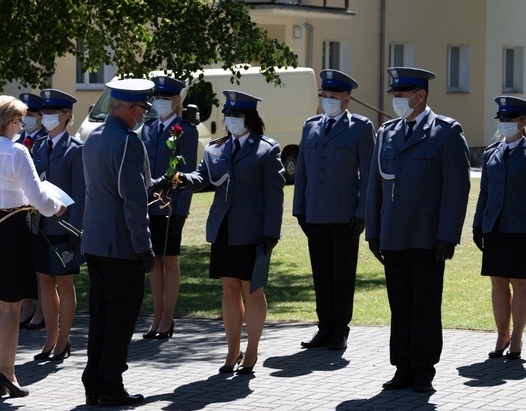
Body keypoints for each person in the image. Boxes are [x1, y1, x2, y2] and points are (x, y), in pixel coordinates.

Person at [366, 67, 471, 393]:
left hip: (427, 236)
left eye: (401, 95)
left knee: (425, 305)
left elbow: (457, 188)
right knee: (400, 305)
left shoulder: (446, 132)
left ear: (420, 96)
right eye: (395, 95)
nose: (397, 101)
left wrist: (447, 235)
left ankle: (424, 369)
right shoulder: (387, 133)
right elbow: (375, 186)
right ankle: (402, 367)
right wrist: (373, 231)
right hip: (394, 233)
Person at [173, 90, 285, 375]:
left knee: (252, 289)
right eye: (229, 115)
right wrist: (180, 180)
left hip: (254, 231)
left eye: (238, 115)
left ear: (250, 118)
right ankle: (232, 349)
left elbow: (275, 195)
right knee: (229, 289)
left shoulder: (267, 149)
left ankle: (252, 350)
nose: (232, 120)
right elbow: (203, 178)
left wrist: (271, 231)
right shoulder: (215, 148)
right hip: (223, 229)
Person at [0, 95, 66, 398]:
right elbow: (37, 196)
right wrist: (58, 207)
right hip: (11, 226)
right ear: (11, 121)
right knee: (10, 307)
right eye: (20, 120)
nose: (22, 126)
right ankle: (8, 373)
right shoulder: (17, 151)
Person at [81, 79, 155, 407]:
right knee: (120, 318)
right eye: (140, 109)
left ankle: (94, 381)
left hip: (95, 241)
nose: (141, 116)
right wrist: (144, 246)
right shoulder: (127, 142)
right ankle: (110, 383)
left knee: (100, 315)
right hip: (120, 245)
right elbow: (132, 202)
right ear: (130, 109)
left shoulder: (93, 136)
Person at [293, 70, 375, 351]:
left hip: (344, 215)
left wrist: (362, 213)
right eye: (325, 96)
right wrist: (299, 209)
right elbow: (301, 170)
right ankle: (324, 327)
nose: (328, 100)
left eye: (334, 97)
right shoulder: (311, 126)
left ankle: (340, 329)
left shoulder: (361, 128)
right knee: (321, 274)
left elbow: (369, 174)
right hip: (315, 212)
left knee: (342, 275)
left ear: (347, 100)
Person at [473, 96, 526, 361]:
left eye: (511, 119)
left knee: (519, 282)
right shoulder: (491, 152)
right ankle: (501, 335)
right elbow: (484, 193)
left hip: (520, 228)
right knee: (497, 282)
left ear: (524, 121)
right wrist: (477, 224)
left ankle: (517, 337)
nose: (505, 124)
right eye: (502, 119)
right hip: (494, 227)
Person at [140, 76, 198, 339]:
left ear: (176, 101)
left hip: (171, 207)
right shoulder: (148, 129)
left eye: (165, 98)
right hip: (150, 206)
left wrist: (181, 212)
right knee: (154, 263)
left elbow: (188, 173)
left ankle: (168, 318)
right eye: (157, 97)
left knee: (170, 261)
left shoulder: (186, 130)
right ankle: (157, 316)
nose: (159, 102)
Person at [30, 89, 85, 362]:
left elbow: (80, 192)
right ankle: (49, 338)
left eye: (53, 112)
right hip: (40, 225)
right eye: (45, 112)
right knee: (44, 281)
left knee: (64, 282)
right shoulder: (37, 146)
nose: (47, 116)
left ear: (66, 116)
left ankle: (64, 340)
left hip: (64, 227)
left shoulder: (76, 150)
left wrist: (76, 230)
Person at [16, 92, 48, 331]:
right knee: (24, 260)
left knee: (40, 264)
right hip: (18, 207)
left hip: (39, 207)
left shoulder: (46, 139)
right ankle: (26, 307)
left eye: (30, 115)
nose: (25, 120)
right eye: (22, 116)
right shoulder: (16, 140)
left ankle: (41, 310)